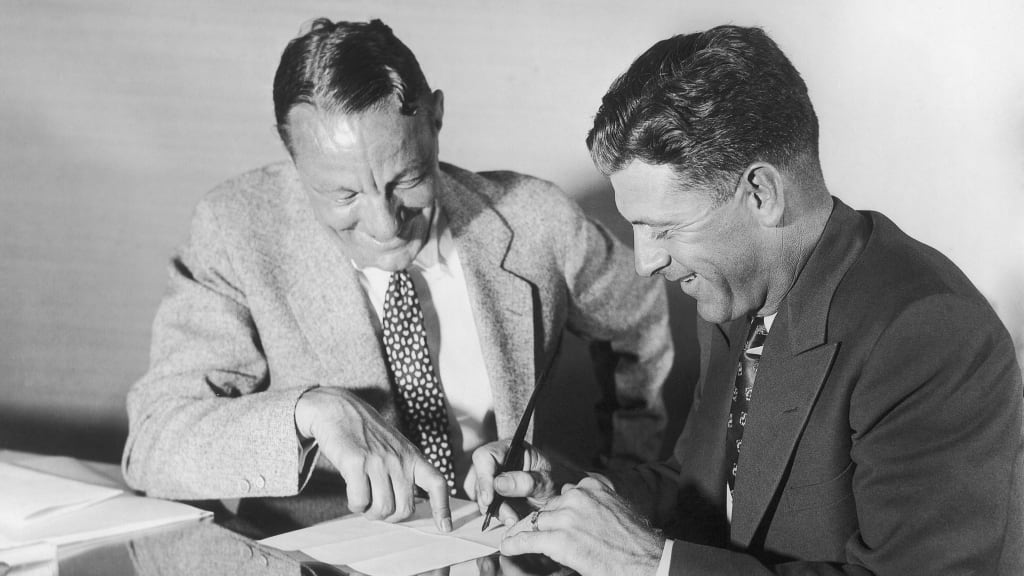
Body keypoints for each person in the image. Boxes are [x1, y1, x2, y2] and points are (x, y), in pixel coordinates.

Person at [472, 24, 1024, 575]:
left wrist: (648, 564)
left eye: (664, 228)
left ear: (761, 193)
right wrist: (571, 503)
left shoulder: (929, 333)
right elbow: (703, 488)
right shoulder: (737, 293)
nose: (646, 262)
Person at [121, 18, 673, 534]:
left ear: (435, 118)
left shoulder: (537, 219)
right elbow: (152, 442)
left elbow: (639, 314)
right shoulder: (235, 230)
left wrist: (619, 485)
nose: (385, 225)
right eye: (344, 195)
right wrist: (311, 411)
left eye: (405, 179)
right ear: (292, 153)